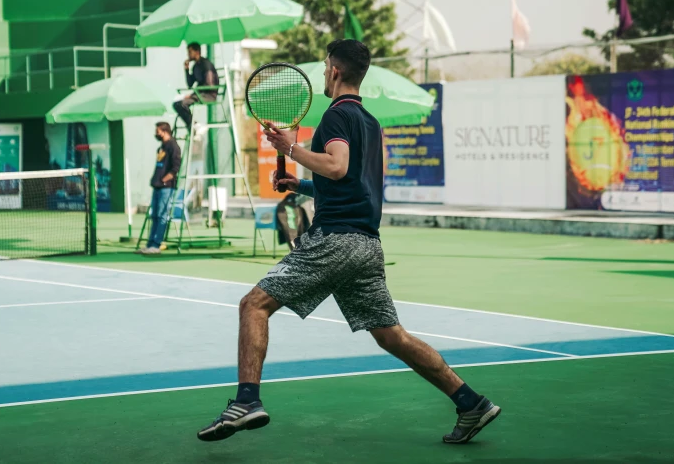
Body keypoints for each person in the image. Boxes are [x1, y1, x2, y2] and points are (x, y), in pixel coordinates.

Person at [197, 40, 501, 444]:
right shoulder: (370, 123)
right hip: (367, 247)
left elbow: (338, 167)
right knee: (392, 336)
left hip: (335, 241)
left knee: (253, 305)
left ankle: (247, 401)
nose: (324, 74)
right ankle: (470, 402)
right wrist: (302, 183)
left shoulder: (335, 117)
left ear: (335, 71)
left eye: (325, 68)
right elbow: (353, 182)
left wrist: (292, 148)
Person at [138, 122, 181, 255]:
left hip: (166, 188)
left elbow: (176, 167)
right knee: (155, 215)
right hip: (157, 186)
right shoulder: (162, 147)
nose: (156, 134)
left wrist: (164, 180)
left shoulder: (173, 146)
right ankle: (150, 244)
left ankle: (156, 245)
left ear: (165, 131)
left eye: (158, 131)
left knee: (162, 216)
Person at [173, 42, 218, 130]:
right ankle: (194, 125)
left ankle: (194, 126)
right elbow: (190, 84)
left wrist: (193, 95)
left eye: (190, 52)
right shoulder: (195, 67)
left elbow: (210, 85)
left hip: (208, 95)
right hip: (199, 94)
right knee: (177, 104)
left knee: (183, 104)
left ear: (197, 52)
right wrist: (186, 69)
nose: (188, 54)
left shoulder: (206, 65)